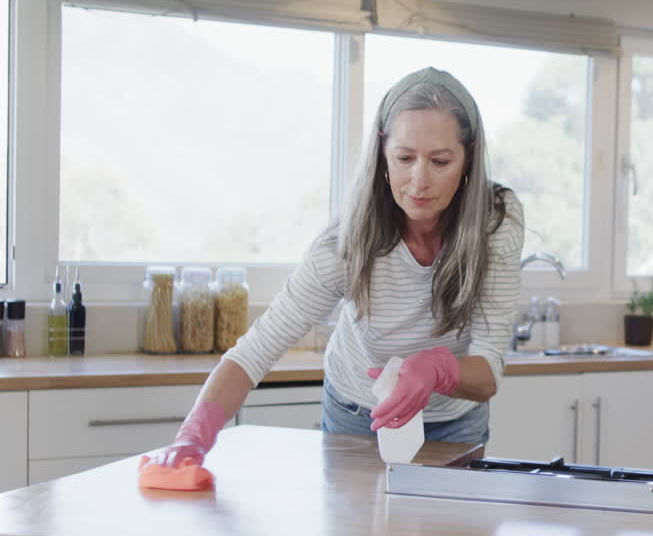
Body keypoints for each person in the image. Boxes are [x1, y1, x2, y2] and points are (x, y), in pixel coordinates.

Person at [146, 67, 524, 470]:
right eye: (404, 158)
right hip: (358, 417)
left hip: (454, 423)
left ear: (468, 160)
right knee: (355, 533)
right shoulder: (346, 243)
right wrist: (194, 435)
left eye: (441, 161)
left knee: (451, 535)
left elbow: (486, 374)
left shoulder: (495, 222)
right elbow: (256, 349)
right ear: (383, 153)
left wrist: (438, 369)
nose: (419, 180)